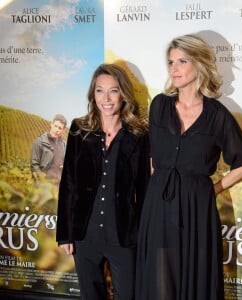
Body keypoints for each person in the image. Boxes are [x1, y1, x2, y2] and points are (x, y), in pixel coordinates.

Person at [135, 34, 242, 300]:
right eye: (170, 62)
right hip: (159, 203)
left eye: (181, 61)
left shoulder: (217, 114)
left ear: (198, 64)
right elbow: (153, 161)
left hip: (196, 207)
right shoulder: (159, 106)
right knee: (159, 277)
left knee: (194, 276)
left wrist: (213, 189)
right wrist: (151, 201)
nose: (173, 69)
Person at [56, 64, 150, 300]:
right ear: (92, 94)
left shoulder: (138, 134)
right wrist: (65, 233)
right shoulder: (80, 129)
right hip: (85, 235)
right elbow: (68, 182)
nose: (106, 99)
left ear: (124, 94)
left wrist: (145, 235)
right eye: (100, 91)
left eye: (113, 91)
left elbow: (144, 189)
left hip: (124, 236)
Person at [30, 114, 67, 184]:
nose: (56, 130)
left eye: (60, 128)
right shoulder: (40, 142)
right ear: (51, 124)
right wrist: (42, 181)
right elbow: (34, 165)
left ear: (63, 130)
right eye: (55, 126)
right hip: (43, 186)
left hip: (57, 187)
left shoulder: (64, 145)